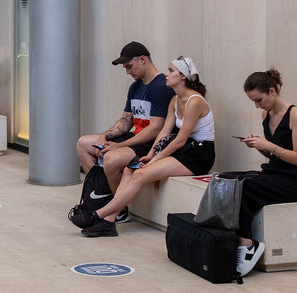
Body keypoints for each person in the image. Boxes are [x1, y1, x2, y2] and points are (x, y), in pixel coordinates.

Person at [80, 55, 215, 237]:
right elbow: (164, 133)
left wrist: (154, 160)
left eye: (171, 70)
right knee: (129, 169)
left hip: (198, 154)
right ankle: (109, 221)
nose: (166, 74)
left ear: (183, 76)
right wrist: (151, 154)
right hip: (183, 150)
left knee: (140, 173)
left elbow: (180, 140)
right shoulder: (174, 101)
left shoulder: (195, 101)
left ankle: (100, 215)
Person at [75, 42, 175, 219]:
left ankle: (119, 211)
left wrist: (118, 146)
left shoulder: (161, 86)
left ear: (142, 59)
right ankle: (100, 195)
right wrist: (105, 136)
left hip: (149, 144)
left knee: (111, 158)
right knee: (84, 144)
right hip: (134, 138)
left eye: (129, 66)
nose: (128, 72)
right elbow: (126, 121)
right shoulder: (135, 87)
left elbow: (155, 129)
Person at [236, 68, 297, 276]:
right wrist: (258, 146)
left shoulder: (295, 115)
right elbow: (273, 156)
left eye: (259, 100)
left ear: (272, 91)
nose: (258, 105)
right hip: (273, 173)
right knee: (228, 179)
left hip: (294, 181)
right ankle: (232, 239)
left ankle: (247, 243)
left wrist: (268, 145)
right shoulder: (265, 114)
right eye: (254, 102)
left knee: (245, 186)